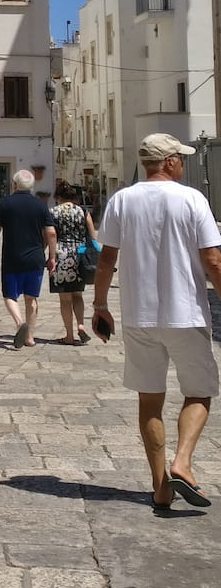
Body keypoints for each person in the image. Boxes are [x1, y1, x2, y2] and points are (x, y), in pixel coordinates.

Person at [93, 133, 221, 511]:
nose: (182, 164)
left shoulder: (122, 200)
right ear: (169, 161)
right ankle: (182, 462)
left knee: (149, 400)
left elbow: (106, 259)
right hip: (186, 314)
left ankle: (160, 487)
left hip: (139, 315)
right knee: (199, 392)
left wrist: (100, 305)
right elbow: (213, 261)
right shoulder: (192, 199)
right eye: (180, 158)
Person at [0, 169, 56, 348]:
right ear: (32, 186)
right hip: (35, 258)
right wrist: (52, 257)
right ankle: (30, 337)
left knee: (10, 295)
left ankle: (20, 324)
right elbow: (51, 233)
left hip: (13, 257)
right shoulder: (40, 205)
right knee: (31, 298)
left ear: (14, 184)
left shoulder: (6, 203)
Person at [49, 183, 97, 344]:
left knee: (65, 299)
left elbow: (50, 235)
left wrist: (49, 256)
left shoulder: (53, 212)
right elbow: (93, 236)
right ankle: (81, 325)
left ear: (58, 197)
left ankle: (69, 335)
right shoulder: (83, 211)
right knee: (78, 295)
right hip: (80, 256)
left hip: (61, 256)